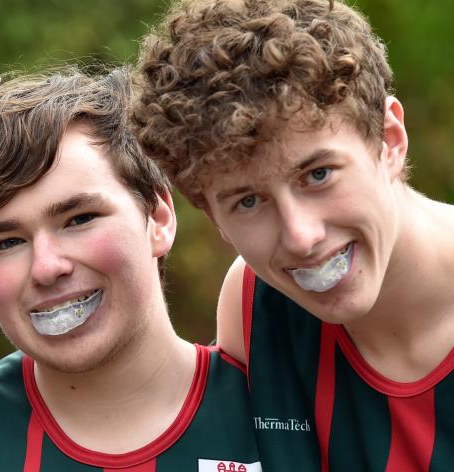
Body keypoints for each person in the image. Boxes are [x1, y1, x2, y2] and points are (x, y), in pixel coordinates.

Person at [130, 0, 454, 469]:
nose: (302, 237)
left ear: (389, 140)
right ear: (213, 219)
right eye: (247, 201)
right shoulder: (252, 307)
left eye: (318, 174)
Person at [0, 68, 259, 471]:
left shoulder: (275, 405)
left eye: (79, 219)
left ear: (158, 219)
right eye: (7, 242)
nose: (46, 268)